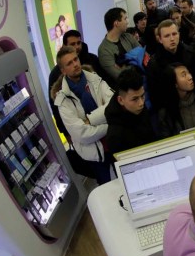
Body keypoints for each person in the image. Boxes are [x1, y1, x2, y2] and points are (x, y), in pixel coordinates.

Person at [51, 46, 114, 184]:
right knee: (109, 191)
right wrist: (110, 126)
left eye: (76, 59)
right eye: (69, 63)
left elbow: (113, 107)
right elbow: (82, 135)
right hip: (95, 154)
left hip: (116, 142)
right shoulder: (62, 101)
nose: (75, 64)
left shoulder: (95, 79)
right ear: (63, 70)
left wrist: (90, 120)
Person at [48, 30, 106, 142]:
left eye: (78, 43)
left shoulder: (92, 59)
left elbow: (106, 85)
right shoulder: (55, 75)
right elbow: (55, 106)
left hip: (104, 119)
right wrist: (64, 132)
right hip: (83, 130)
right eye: (72, 44)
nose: (77, 47)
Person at [146, 19, 195, 111]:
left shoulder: (191, 54)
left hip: (194, 104)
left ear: (179, 34)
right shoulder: (154, 64)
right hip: (170, 109)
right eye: (167, 36)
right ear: (160, 39)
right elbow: (155, 94)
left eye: (174, 34)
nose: (172, 39)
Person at [105, 67, 156, 155]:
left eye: (142, 96)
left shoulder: (140, 110)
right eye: (135, 99)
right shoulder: (115, 135)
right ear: (121, 100)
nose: (141, 103)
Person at [158, 63, 195, 144]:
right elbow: (166, 142)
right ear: (174, 83)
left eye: (189, 73)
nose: (190, 77)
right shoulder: (166, 113)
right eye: (183, 75)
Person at [97, 7, 141, 89]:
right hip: (126, 91)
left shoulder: (128, 37)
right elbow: (120, 76)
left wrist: (124, 63)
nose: (127, 22)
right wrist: (134, 58)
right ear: (116, 23)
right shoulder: (104, 50)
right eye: (125, 19)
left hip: (142, 83)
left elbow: (143, 56)